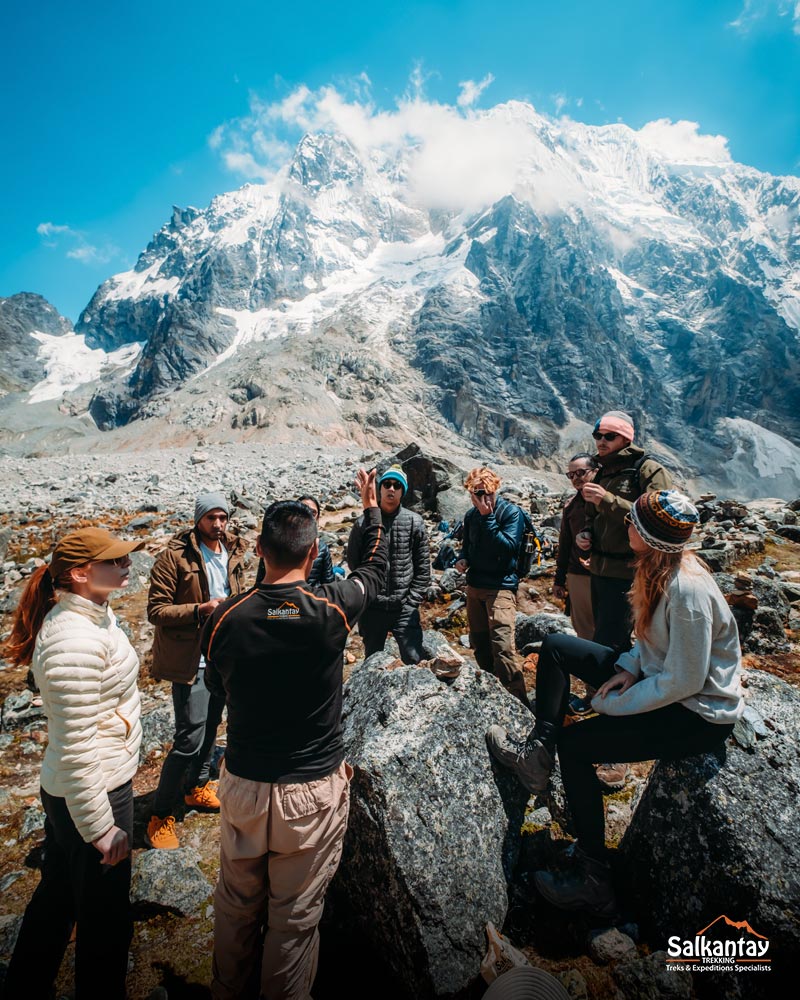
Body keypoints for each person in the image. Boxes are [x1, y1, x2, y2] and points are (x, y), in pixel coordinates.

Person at [487, 491, 743, 916]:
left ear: (649, 537)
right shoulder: (658, 568)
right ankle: (537, 755)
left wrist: (610, 706)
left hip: (696, 714)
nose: (626, 525)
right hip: (661, 680)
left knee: (578, 747)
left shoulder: (688, 591)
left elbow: (683, 680)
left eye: (634, 523)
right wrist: (627, 666)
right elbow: (651, 643)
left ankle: (594, 878)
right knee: (555, 647)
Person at [201, 469, 388, 1000]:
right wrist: (370, 509)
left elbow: (217, 683)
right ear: (312, 555)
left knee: (236, 904)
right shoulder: (331, 610)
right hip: (309, 789)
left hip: (241, 783)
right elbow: (375, 569)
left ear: (258, 548)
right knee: (294, 919)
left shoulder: (224, 619)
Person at [2, 528, 144, 999]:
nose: (126, 565)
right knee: (104, 920)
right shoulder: (72, 641)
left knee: (59, 895)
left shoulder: (94, 615)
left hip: (84, 784)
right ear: (80, 574)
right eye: (115, 560)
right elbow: (75, 744)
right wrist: (101, 826)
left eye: (126, 557)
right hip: (95, 788)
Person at [146, 492, 249, 849]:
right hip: (192, 660)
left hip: (223, 657)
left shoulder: (234, 552)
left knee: (210, 730)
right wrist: (199, 609)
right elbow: (156, 611)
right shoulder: (174, 557)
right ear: (198, 519)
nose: (218, 525)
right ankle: (160, 813)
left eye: (223, 518)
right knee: (188, 739)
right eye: (211, 519)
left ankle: (196, 787)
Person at [576, 410, 672, 654]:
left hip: (631, 572)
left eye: (610, 436)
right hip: (599, 570)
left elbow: (658, 518)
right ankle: (612, 684)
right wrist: (586, 534)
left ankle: (608, 688)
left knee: (611, 640)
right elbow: (591, 516)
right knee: (604, 634)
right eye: (598, 435)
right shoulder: (601, 473)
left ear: (626, 439)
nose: (601, 441)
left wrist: (607, 499)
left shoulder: (648, 470)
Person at [455, 467, 529, 706]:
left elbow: (507, 547)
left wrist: (488, 517)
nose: (484, 497)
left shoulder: (511, 513)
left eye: (488, 492)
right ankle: (491, 693)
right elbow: (467, 545)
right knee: (479, 643)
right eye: (478, 493)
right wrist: (463, 558)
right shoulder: (470, 516)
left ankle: (518, 702)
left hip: (501, 588)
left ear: (496, 489)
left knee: (503, 647)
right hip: (475, 586)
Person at [346, 464, 431, 665]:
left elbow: (423, 568)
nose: (391, 489)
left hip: (404, 607)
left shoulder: (414, 522)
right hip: (372, 608)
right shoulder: (363, 523)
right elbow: (354, 563)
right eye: (387, 484)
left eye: (396, 485)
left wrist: (411, 602)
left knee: (413, 659)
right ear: (380, 488)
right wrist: (366, 597)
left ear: (403, 491)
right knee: (373, 662)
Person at [553, 453, 598, 641]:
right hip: (578, 574)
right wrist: (559, 579)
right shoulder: (571, 506)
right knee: (585, 630)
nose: (576, 478)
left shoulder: (608, 500)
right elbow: (564, 544)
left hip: (610, 572)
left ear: (596, 471)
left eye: (580, 472)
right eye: (571, 475)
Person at [256, 494, 335, 586]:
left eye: (313, 512)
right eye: (304, 510)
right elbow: (261, 579)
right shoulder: (276, 543)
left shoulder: (322, 548)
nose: (308, 515)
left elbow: (329, 582)